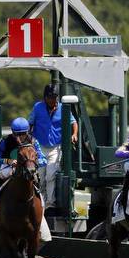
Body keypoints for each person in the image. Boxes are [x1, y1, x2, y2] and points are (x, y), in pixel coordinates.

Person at [28, 83, 78, 211]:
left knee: (50, 175)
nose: (52, 99)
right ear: (45, 97)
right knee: (40, 175)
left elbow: (74, 123)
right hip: (39, 147)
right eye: (50, 97)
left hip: (55, 147)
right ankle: (40, 201)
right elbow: (30, 123)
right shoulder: (38, 107)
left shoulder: (63, 108)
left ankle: (50, 202)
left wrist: (74, 134)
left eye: (55, 97)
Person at [0, 117, 47, 182]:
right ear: (12, 132)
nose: (20, 137)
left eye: (23, 134)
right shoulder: (5, 141)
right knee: (7, 174)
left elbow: (44, 160)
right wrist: (8, 161)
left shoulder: (33, 141)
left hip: (29, 168)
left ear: (27, 132)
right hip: (8, 167)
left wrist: (31, 162)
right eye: (16, 134)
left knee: (36, 179)